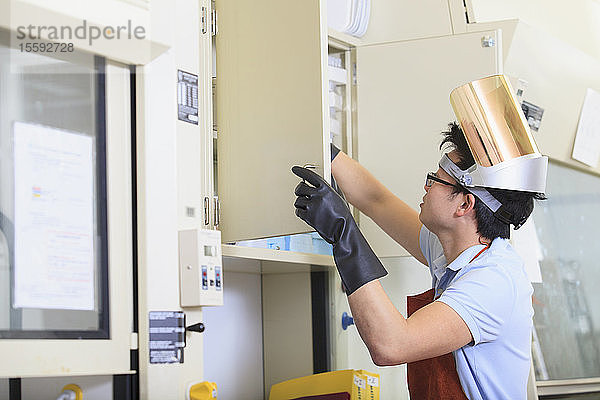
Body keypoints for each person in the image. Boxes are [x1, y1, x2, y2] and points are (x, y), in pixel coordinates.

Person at [292, 75, 547, 399]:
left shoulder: (493, 281)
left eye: (435, 180)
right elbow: (375, 199)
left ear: (465, 204)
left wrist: (344, 234)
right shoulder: (453, 252)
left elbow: (392, 344)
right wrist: (314, 138)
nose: (426, 186)